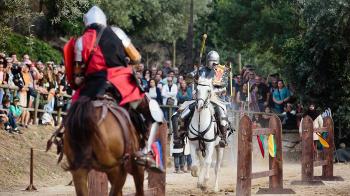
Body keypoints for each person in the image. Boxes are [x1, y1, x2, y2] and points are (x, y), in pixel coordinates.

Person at [64, 6, 164, 172]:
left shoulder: (81, 41)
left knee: (73, 111)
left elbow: (77, 75)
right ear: (104, 21)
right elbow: (137, 58)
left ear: (86, 23)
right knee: (153, 110)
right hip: (120, 83)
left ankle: (63, 140)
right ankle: (148, 152)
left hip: (92, 87)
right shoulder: (117, 32)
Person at [171, 51, 230, 147]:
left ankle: (223, 137)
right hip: (199, 98)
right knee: (181, 114)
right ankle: (181, 134)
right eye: (211, 61)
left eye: (215, 61)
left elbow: (224, 88)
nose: (213, 63)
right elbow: (189, 79)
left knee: (220, 113)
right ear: (207, 61)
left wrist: (213, 91)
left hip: (214, 98)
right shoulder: (201, 70)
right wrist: (192, 74)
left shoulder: (220, 71)